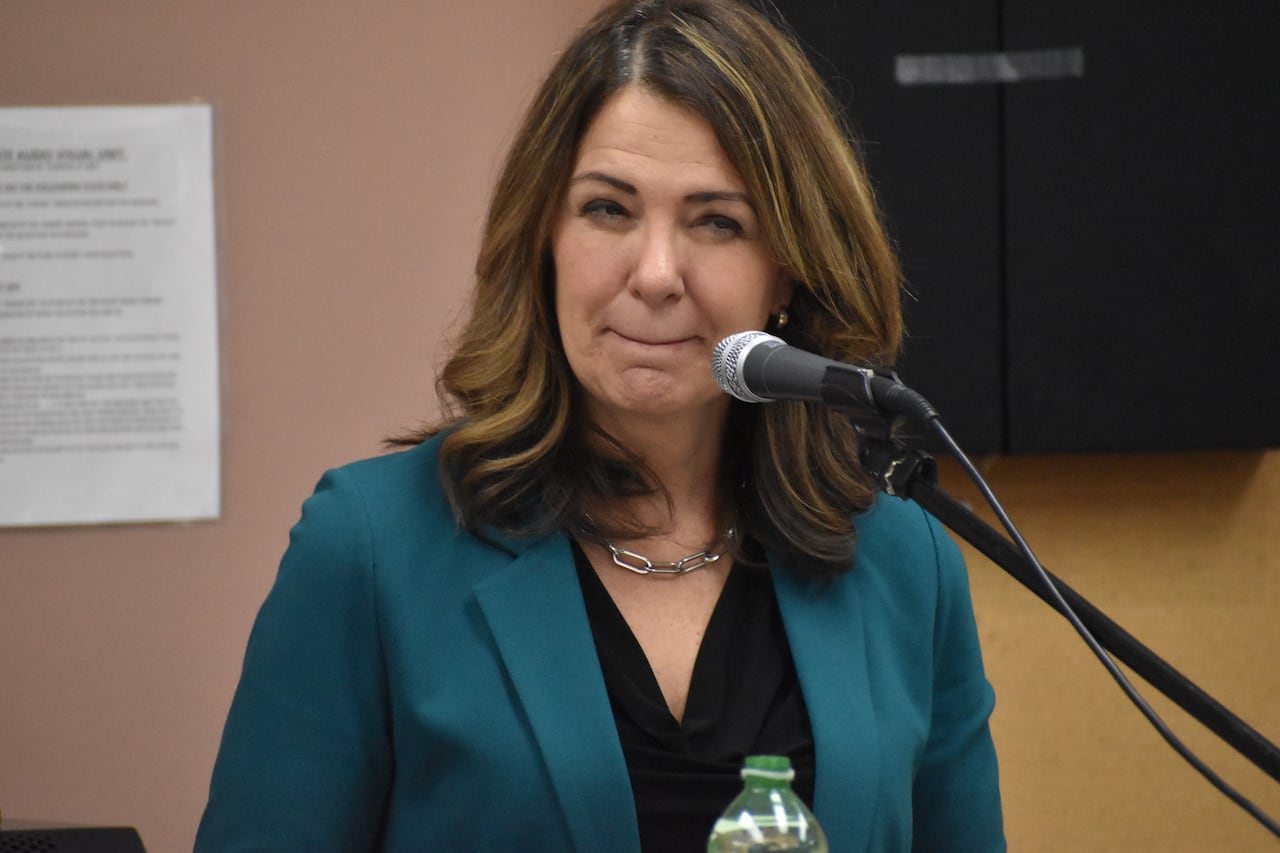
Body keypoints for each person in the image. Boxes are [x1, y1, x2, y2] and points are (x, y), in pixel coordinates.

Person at [195, 1, 1004, 850]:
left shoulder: (906, 564)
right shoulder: (371, 549)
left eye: (716, 222)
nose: (655, 274)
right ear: (545, 236)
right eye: (608, 210)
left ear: (789, 274)